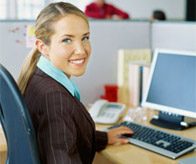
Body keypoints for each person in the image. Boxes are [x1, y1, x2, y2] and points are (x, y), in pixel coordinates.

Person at [17, 2, 133, 164]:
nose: (81, 50)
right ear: (43, 47)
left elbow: (62, 134)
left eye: (85, 38)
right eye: (67, 40)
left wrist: (103, 137)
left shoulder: (39, 78)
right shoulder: (55, 98)